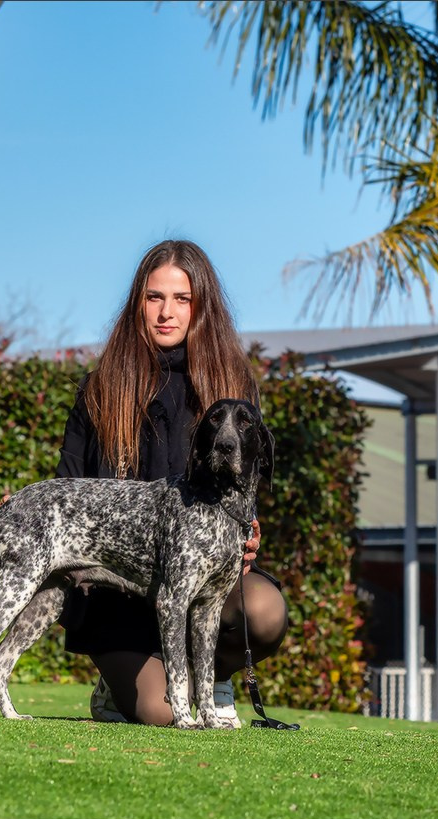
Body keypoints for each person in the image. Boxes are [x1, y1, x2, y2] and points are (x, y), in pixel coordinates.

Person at [55, 238, 289, 727]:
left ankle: (212, 681)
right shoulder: (100, 388)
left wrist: (249, 533)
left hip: (198, 581)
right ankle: (116, 689)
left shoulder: (234, 388)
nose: (167, 312)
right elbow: (68, 489)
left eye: (182, 299)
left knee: (264, 611)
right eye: (154, 297)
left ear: (202, 307)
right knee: (159, 715)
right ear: (137, 303)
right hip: (117, 597)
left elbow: (244, 492)